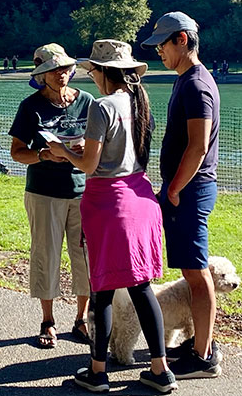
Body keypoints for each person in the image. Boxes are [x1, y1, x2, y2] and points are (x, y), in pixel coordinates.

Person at [48, 39, 177, 394]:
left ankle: (98, 372)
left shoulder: (102, 106)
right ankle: (160, 370)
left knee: (102, 289)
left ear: (105, 72)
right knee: (140, 287)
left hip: (109, 204)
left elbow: (90, 165)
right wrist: (83, 149)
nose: (91, 78)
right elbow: (123, 149)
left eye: (92, 72)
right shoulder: (139, 103)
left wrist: (62, 150)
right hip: (140, 198)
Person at [140, 11, 222, 379]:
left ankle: (202, 356)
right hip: (186, 191)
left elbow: (199, 146)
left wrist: (174, 188)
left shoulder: (196, 85)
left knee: (196, 271)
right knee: (192, 270)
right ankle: (202, 344)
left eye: (163, 43)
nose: (159, 51)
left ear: (183, 40)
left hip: (190, 191)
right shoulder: (186, 80)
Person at [8, 43, 92, 350]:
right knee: (46, 255)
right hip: (44, 194)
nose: (62, 74)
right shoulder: (30, 107)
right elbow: (17, 153)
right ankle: (48, 321)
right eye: (53, 70)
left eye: (66, 68)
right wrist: (43, 155)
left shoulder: (87, 101)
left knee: (84, 256)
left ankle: (82, 319)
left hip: (84, 192)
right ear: (41, 75)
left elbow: (103, 142)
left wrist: (87, 151)